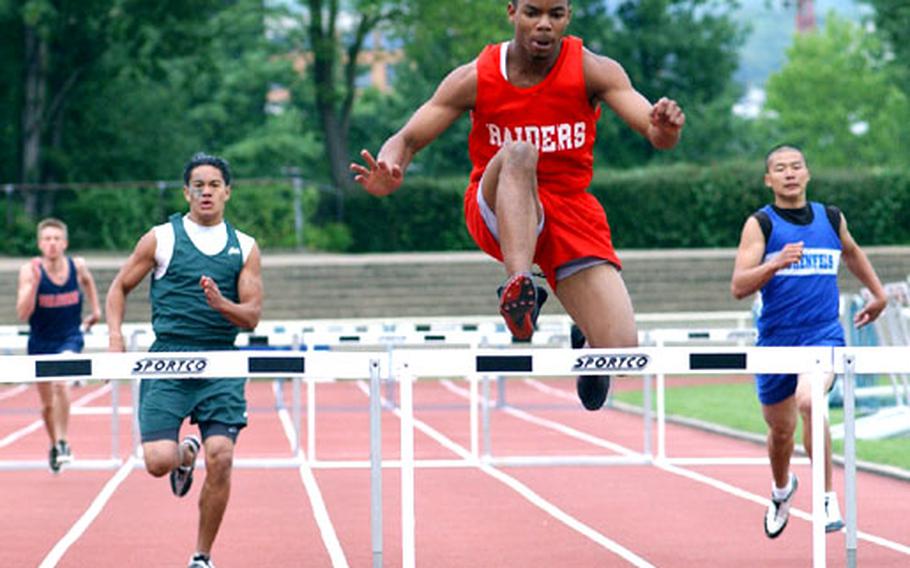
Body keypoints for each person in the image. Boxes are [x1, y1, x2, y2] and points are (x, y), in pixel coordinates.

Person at [350, 0, 685, 411]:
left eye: (555, 15)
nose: (544, 25)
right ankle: (521, 287)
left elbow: (653, 131)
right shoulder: (477, 76)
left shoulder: (593, 70)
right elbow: (407, 138)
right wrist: (389, 167)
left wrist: (665, 128)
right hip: (498, 204)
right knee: (521, 152)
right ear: (512, 12)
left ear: (568, 16)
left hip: (569, 212)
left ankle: (585, 336)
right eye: (532, 13)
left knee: (625, 357)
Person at [105, 153, 262, 568]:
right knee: (158, 462)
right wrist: (115, 338)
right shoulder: (161, 238)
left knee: (222, 457)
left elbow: (251, 317)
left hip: (221, 362)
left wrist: (220, 303)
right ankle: (184, 453)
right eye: (198, 185)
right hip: (169, 360)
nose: (206, 191)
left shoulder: (244, 247)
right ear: (186, 192)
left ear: (227, 192)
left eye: (214, 185)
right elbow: (119, 288)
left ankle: (201, 556)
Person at [731, 144, 887, 538]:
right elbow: (738, 286)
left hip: (823, 334)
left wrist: (878, 293)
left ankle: (826, 496)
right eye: (780, 168)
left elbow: (851, 253)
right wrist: (774, 263)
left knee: (809, 400)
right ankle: (782, 490)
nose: (789, 173)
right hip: (776, 341)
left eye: (795, 166)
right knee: (780, 431)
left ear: (807, 174)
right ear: (769, 179)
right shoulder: (760, 225)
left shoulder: (830, 218)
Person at [16, 218, 102, 473]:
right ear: (40, 244)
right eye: (47, 239)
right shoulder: (29, 270)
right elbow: (22, 314)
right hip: (40, 341)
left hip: (70, 337)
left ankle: (63, 442)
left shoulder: (77, 266)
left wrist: (95, 311)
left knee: (61, 381)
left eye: (56, 239)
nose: (52, 244)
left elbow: (88, 282)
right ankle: (55, 443)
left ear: (64, 243)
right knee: (46, 406)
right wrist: (32, 287)